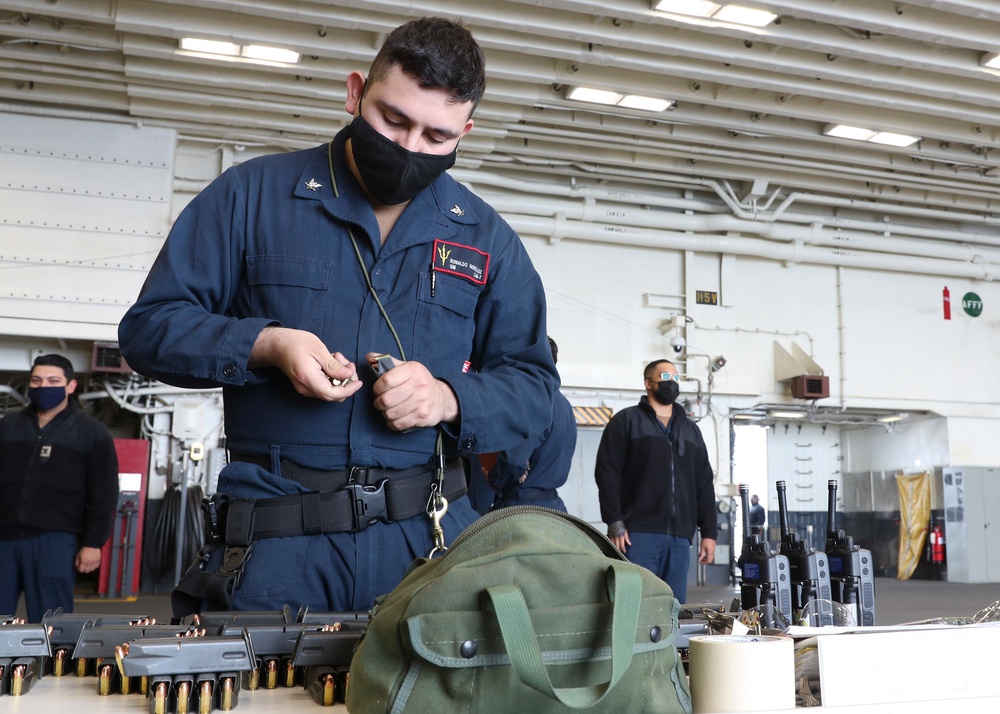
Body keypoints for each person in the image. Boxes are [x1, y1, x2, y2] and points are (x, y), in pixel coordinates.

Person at [118, 17, 558, 616]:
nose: (408, 149)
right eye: (393, 119)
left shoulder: (487, 240)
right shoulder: (249, 198)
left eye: (436, 136)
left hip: (426, 553)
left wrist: (448, 399)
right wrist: (265, 344)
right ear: (356, 93)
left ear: (466, 132)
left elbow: (533, 390)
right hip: (274, 548)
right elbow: (149, 329)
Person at [0, 354, 120, 622]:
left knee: (50, 623)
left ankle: (49, 665)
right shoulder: (7, 427)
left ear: (70, 386)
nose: (44, 386)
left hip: (55, 541)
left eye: (53, 380)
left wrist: (93, 543)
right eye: (37, 380)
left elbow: (104, 493)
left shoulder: (92, 433)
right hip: (4, 539)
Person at [594, 359, 717, 603]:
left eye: (676, 377)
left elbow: (703, 483)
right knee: (635, 607)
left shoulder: (691, 431)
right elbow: (607, 473)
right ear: (648, 383)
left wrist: (709, 533)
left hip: (680, 539)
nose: (672, 382)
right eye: (665, 377)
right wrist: (615, 521)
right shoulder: (626, 422)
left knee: (672, 609)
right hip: (637, 535)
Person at [488, 337, 576, 511]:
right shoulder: (564, 404)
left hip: (522, 509)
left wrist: (494, 479)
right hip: (554, 509)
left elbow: (513, 461)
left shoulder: (533, 402)